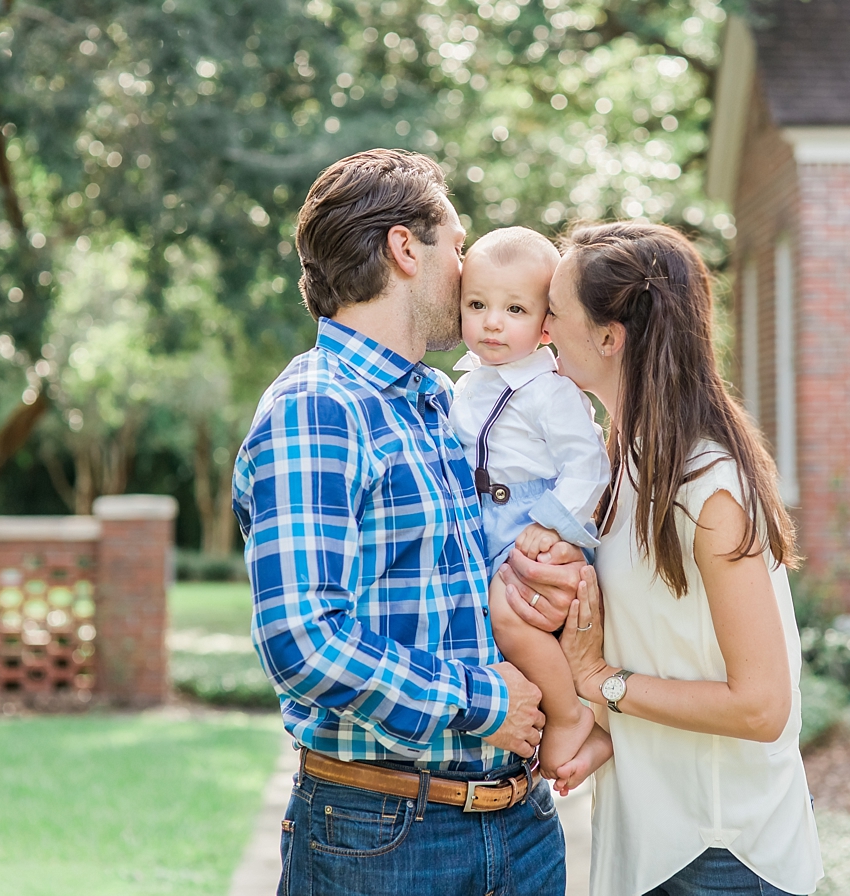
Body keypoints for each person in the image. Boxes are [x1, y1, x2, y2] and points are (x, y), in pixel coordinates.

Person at [232, 149, 575, 895]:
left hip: (520, 824)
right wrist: (482, 701)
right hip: (383, 839)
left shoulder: (439, 402)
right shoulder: (318, 407)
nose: (468, 266)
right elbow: (302, 640)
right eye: (458, 244)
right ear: (404, 248)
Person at [498, 221, 824, 895]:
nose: (542, 330)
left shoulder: (708, 488)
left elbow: (762, 707)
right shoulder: (621, 467)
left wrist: (602, 680)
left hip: (721, 853)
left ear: (609, 337)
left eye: (554, 312)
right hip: (646, 842)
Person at [450, 225, 613, 789]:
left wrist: (553, 524)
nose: (492, 322)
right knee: (492, 626)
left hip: (529, 521)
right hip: (483, 523)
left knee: (509, 613)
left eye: (514, 309)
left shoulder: (550, 390)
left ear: (546, 326)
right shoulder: (465, 384)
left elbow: (588, 465)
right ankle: (560, 715)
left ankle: (570, 715)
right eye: (477, 305)